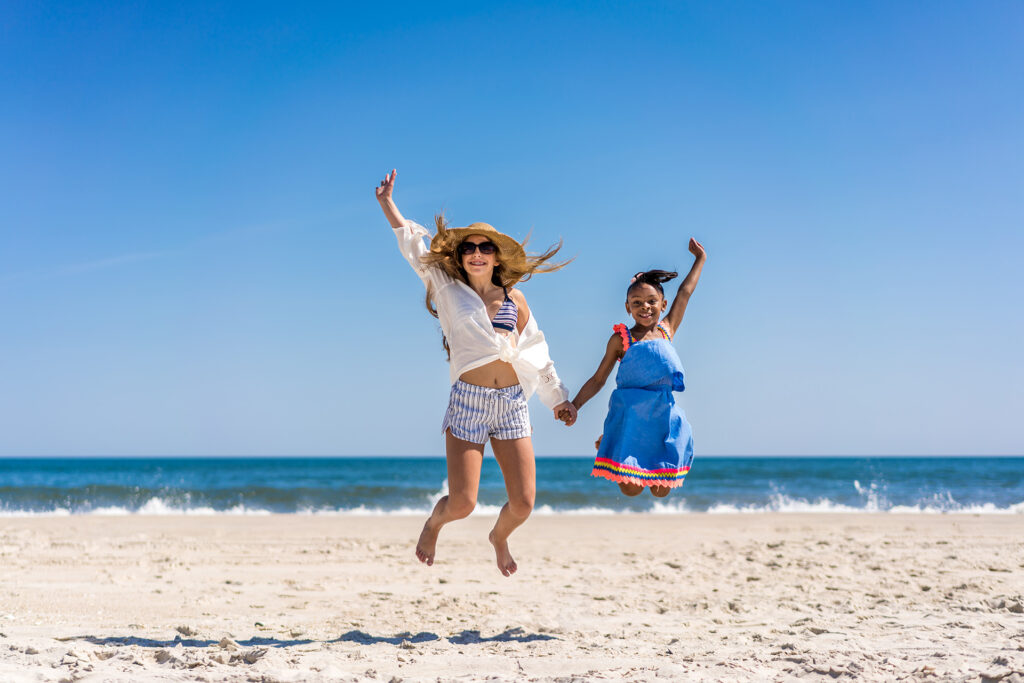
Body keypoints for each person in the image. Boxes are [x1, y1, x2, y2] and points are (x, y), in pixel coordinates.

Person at [375, 169, 577, 577]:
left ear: (497, 256)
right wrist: (387, 203)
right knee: (463, 503)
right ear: (460, 255)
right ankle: (434, 523)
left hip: (511, 406)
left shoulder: (514, 298)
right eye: (470, 247)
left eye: (486, 247)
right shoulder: (447, 287)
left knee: (522, 503)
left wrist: (558, 399)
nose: (477, 253)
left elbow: (537, 351)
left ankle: (499, 537)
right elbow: (413, 243)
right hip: (469, 401)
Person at [570, 239, 707, 497]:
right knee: (631, 491)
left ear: (663, 305)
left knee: (660, 491)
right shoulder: (620, 340)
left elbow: (685, 292)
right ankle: (612, 439)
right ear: (627, 308)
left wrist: (700, 259)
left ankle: (610, 439)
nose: (645, 306)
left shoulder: (667, 331)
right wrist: (574, 406)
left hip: (662, 418)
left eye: (652, 301)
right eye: (637, 302)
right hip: (630, 418)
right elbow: (599, 379)